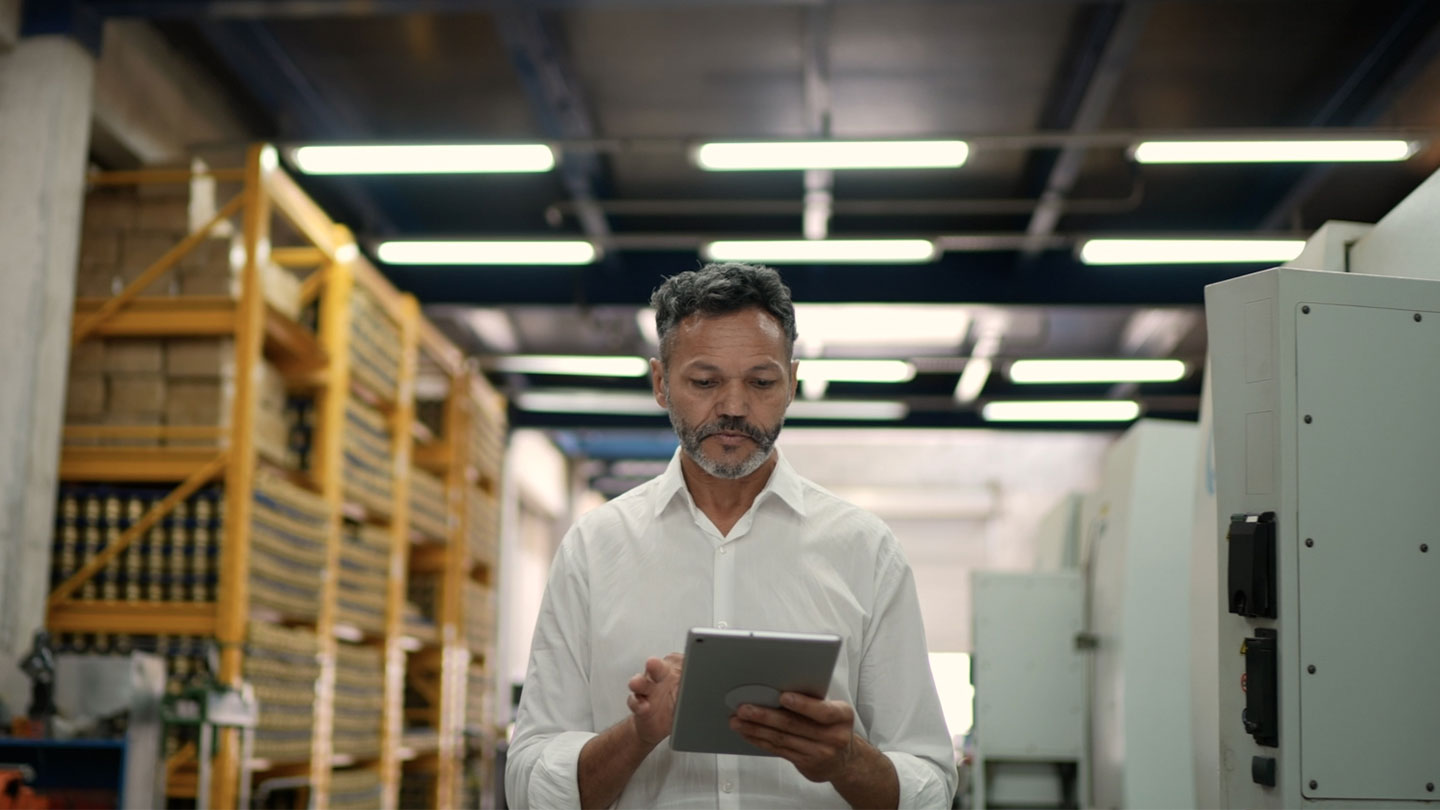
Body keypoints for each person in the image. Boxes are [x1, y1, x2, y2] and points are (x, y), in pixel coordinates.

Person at [505, 263, 957, 809]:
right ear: (659, 383)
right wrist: (640, 734)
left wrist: (845, 761)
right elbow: (528, 780)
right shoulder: (593, 549)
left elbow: (930, 782)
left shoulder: (865, 550)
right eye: (704, 381)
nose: (735, 407)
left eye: (762, 382)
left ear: (791, 383)